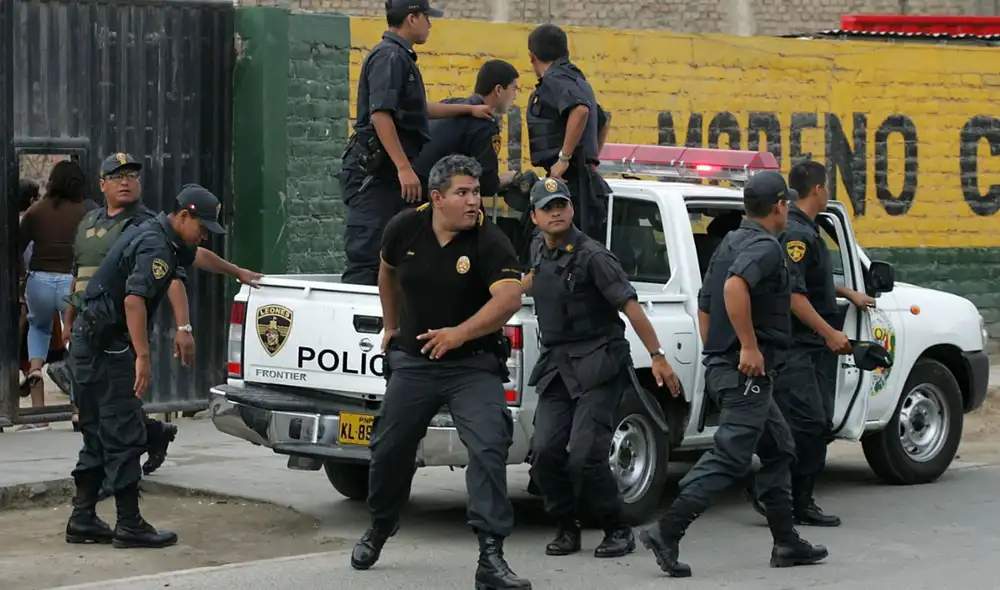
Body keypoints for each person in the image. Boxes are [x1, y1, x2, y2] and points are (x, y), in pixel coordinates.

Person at [350, 154, 530, 590]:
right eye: (463, 193)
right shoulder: (404, 228)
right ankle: (381, 523)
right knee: (390, 449)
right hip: (415, 362)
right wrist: (391, 325)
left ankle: (491, 556)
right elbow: (387, 272)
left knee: (489, 447)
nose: (474, 202)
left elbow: (507, 300)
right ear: (436, 199)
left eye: (476, 192)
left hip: (473, 365)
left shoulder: (490, 240)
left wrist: (459, 334)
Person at [638, 171, 828, 577]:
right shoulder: (765, 248)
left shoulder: (729, 242)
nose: (790, 208)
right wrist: (747, 347)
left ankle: (786, 541)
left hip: (732, 371)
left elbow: (705, 305)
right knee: (731, 455)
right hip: (746, 373)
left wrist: (717, 355)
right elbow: (733, 289)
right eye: (787, 203)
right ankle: (667, 531)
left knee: (779, 449)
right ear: (779, 206)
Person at [64, 152, 261, 471]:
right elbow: (79, 273)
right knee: (98, 408)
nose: (125, 182)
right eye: (117, 176)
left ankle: (117, 482)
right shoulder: (91, 222)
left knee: (115, 410)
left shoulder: (150, 225)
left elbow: (177, 273)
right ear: (102, 185)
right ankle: (150, 438)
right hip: (90, 322)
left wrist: (184, 326)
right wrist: (69, 319)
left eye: (131, 175)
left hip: (119, 330)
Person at [519, 177, 682, 559]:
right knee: (544, 452)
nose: (556, 211)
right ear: (535, 217)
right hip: (558, 365)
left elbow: (630, 307)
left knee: (586, 456)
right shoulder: (537, 249)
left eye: (562, 203)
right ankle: (565, 526)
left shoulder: (594, 256)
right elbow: (531, 282)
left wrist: (657, 355)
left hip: (598, 363)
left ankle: (616, 527)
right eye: (547, 207)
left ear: (572, 209)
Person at [64, 185, 234, 549]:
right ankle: (129, 524)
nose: (204, 234)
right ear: (183, 216)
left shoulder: (160, 235)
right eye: (201, 226)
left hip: (90, 342)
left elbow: (196, 255)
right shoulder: (157, 245)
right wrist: (142, 355)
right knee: (124, 430)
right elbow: (134, 301)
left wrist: (239, 271)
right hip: (109, 347)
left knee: (97, 429)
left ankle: (82, 518)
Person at [744, 161, 875, 527]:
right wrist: (830, 333)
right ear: (818, 189)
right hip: (797, 346)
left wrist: (848, 292)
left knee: (803, 425)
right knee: (810, 424)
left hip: (807, 346)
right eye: (827, 186)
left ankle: (793, 499)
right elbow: (792, 294)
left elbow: (806, 282)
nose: (828, 191)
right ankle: (781, 495)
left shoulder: (806, 230)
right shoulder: (798, 234)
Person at [340, 0, 496, 286]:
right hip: (376, 175)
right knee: (368, 257)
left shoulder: (400, 58)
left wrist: (467, 109)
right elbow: (381, 115)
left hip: (389, 173)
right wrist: (403, 168)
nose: (430, 24)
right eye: (426, 17)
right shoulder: (390, 57)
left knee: (396, 251)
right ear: (411, 18)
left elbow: (416, 109)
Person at [18, 162, 90, 431]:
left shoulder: (36, 211)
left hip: (39, 280)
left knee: (38, 327)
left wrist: (21, 277)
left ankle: (35, 370)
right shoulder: (85, 210)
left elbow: (18, 246)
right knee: (77, 341)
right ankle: (78, 410)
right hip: (71, 282)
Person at [525, 23, 612, 241]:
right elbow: (603, 119)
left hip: (571, 182)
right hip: (581, 179)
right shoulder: (577, 80)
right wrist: (590, 158)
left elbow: (580, 110)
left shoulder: (556, 79)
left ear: (532, 56)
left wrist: (564, 158)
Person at [412, 59, 521, 201]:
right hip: (430, 200)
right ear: (499, 90)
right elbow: (487, 184)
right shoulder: (484, 124)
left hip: (407, 187)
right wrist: (510, 178)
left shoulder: (452, 104)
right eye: (514, 89)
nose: (515, 96)